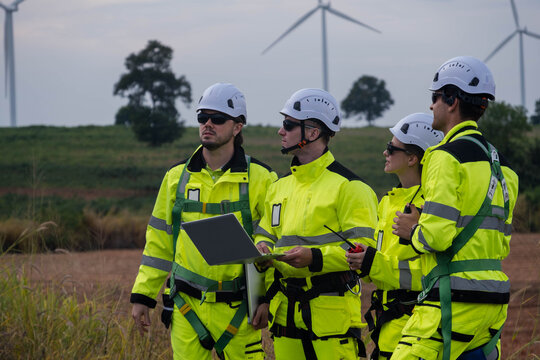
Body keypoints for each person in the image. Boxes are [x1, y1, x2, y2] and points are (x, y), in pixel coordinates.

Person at [130, 83, 277, 360]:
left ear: (237, 127)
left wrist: (265, 298)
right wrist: (143, 296)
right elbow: (159, 243)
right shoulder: (176, 177)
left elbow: (271, 245)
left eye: (218, 118)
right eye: (202, 117)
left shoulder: (263, 179)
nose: (208, 124)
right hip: (187, 307)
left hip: (239, 311)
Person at [389, 56, 519, 360]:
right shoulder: (504, 171)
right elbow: (500, 242)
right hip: (493, 307)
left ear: (451, 100)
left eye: (435, 97)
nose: (431, 106)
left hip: (451, 302)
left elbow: (436, 237)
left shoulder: (444, 158)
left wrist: (413, 230)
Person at [253, 88, 378, 360]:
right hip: (285, 319)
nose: (280, 131)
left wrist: (314, 257)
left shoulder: (351, 188)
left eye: (288, 124)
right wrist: (262, 247)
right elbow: (264, 234)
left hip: (332, 323)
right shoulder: (278, 187)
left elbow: (364, 250)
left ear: (312, 132)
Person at [347, 113, 443, 360]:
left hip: (418, 331)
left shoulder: (431, 207)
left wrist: (373, 263)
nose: (385, 153)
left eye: (391, 148)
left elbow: (431, 275)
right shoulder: (387, 203)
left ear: (413, 158)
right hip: (388, 329)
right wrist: (363, 262)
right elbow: (383, 264)